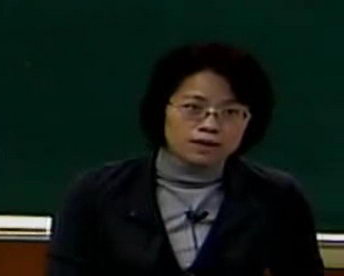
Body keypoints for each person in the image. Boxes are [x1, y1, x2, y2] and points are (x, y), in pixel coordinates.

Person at [47, 43, 324, 276]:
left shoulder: (277, 197)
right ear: (161, 109)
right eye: (193, 108)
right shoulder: (96, 193)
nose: (210, 125)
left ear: (250, 121)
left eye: (230, 112)